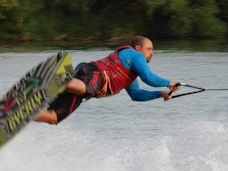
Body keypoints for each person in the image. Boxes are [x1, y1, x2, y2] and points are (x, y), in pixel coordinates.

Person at [36, 36, 179, 125]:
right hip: (93, 74)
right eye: (149, 49)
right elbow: (149, 78)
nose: (152, 53)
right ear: (138, 48)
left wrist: (160, 94)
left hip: (85, 86)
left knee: (53, 117)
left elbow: (136, 95)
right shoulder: (135, 55)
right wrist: (169, 82)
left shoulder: (130, 73)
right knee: (86, 88)